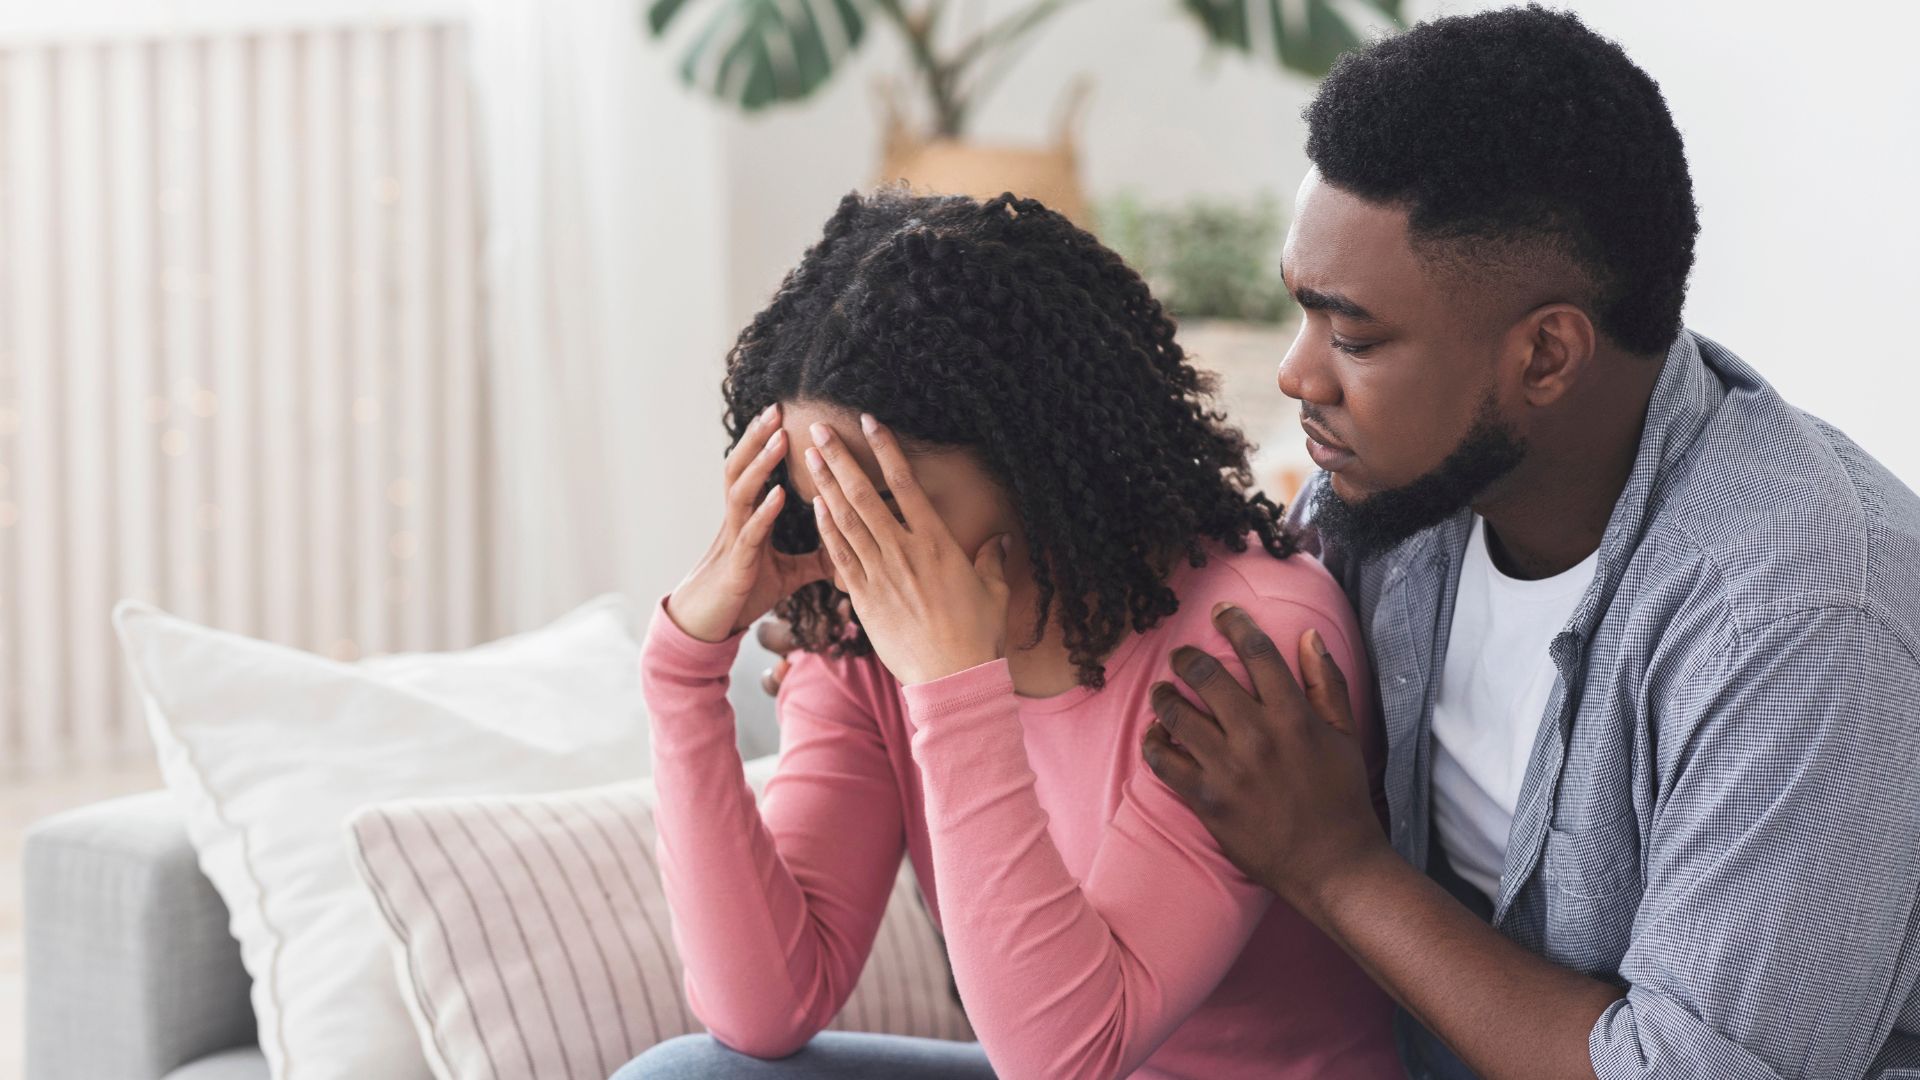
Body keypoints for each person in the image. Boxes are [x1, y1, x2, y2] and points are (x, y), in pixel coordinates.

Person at [1128, 7, 1920, 1080]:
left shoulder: (1801, 624)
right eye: (1303, 314)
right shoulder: (1397, 500)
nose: (1298, 376)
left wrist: (1337, 865)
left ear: (1546, 355)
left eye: (1353, 336)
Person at [611, 188, 1405, 1079]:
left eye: (883, 500)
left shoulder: (1249, 636)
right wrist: (682, 671)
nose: (850, 543)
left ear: (1031, 458)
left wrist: (954, 688)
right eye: (817, 498)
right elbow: (765, 1007)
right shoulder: (867, 630)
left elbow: (1067, 1057)